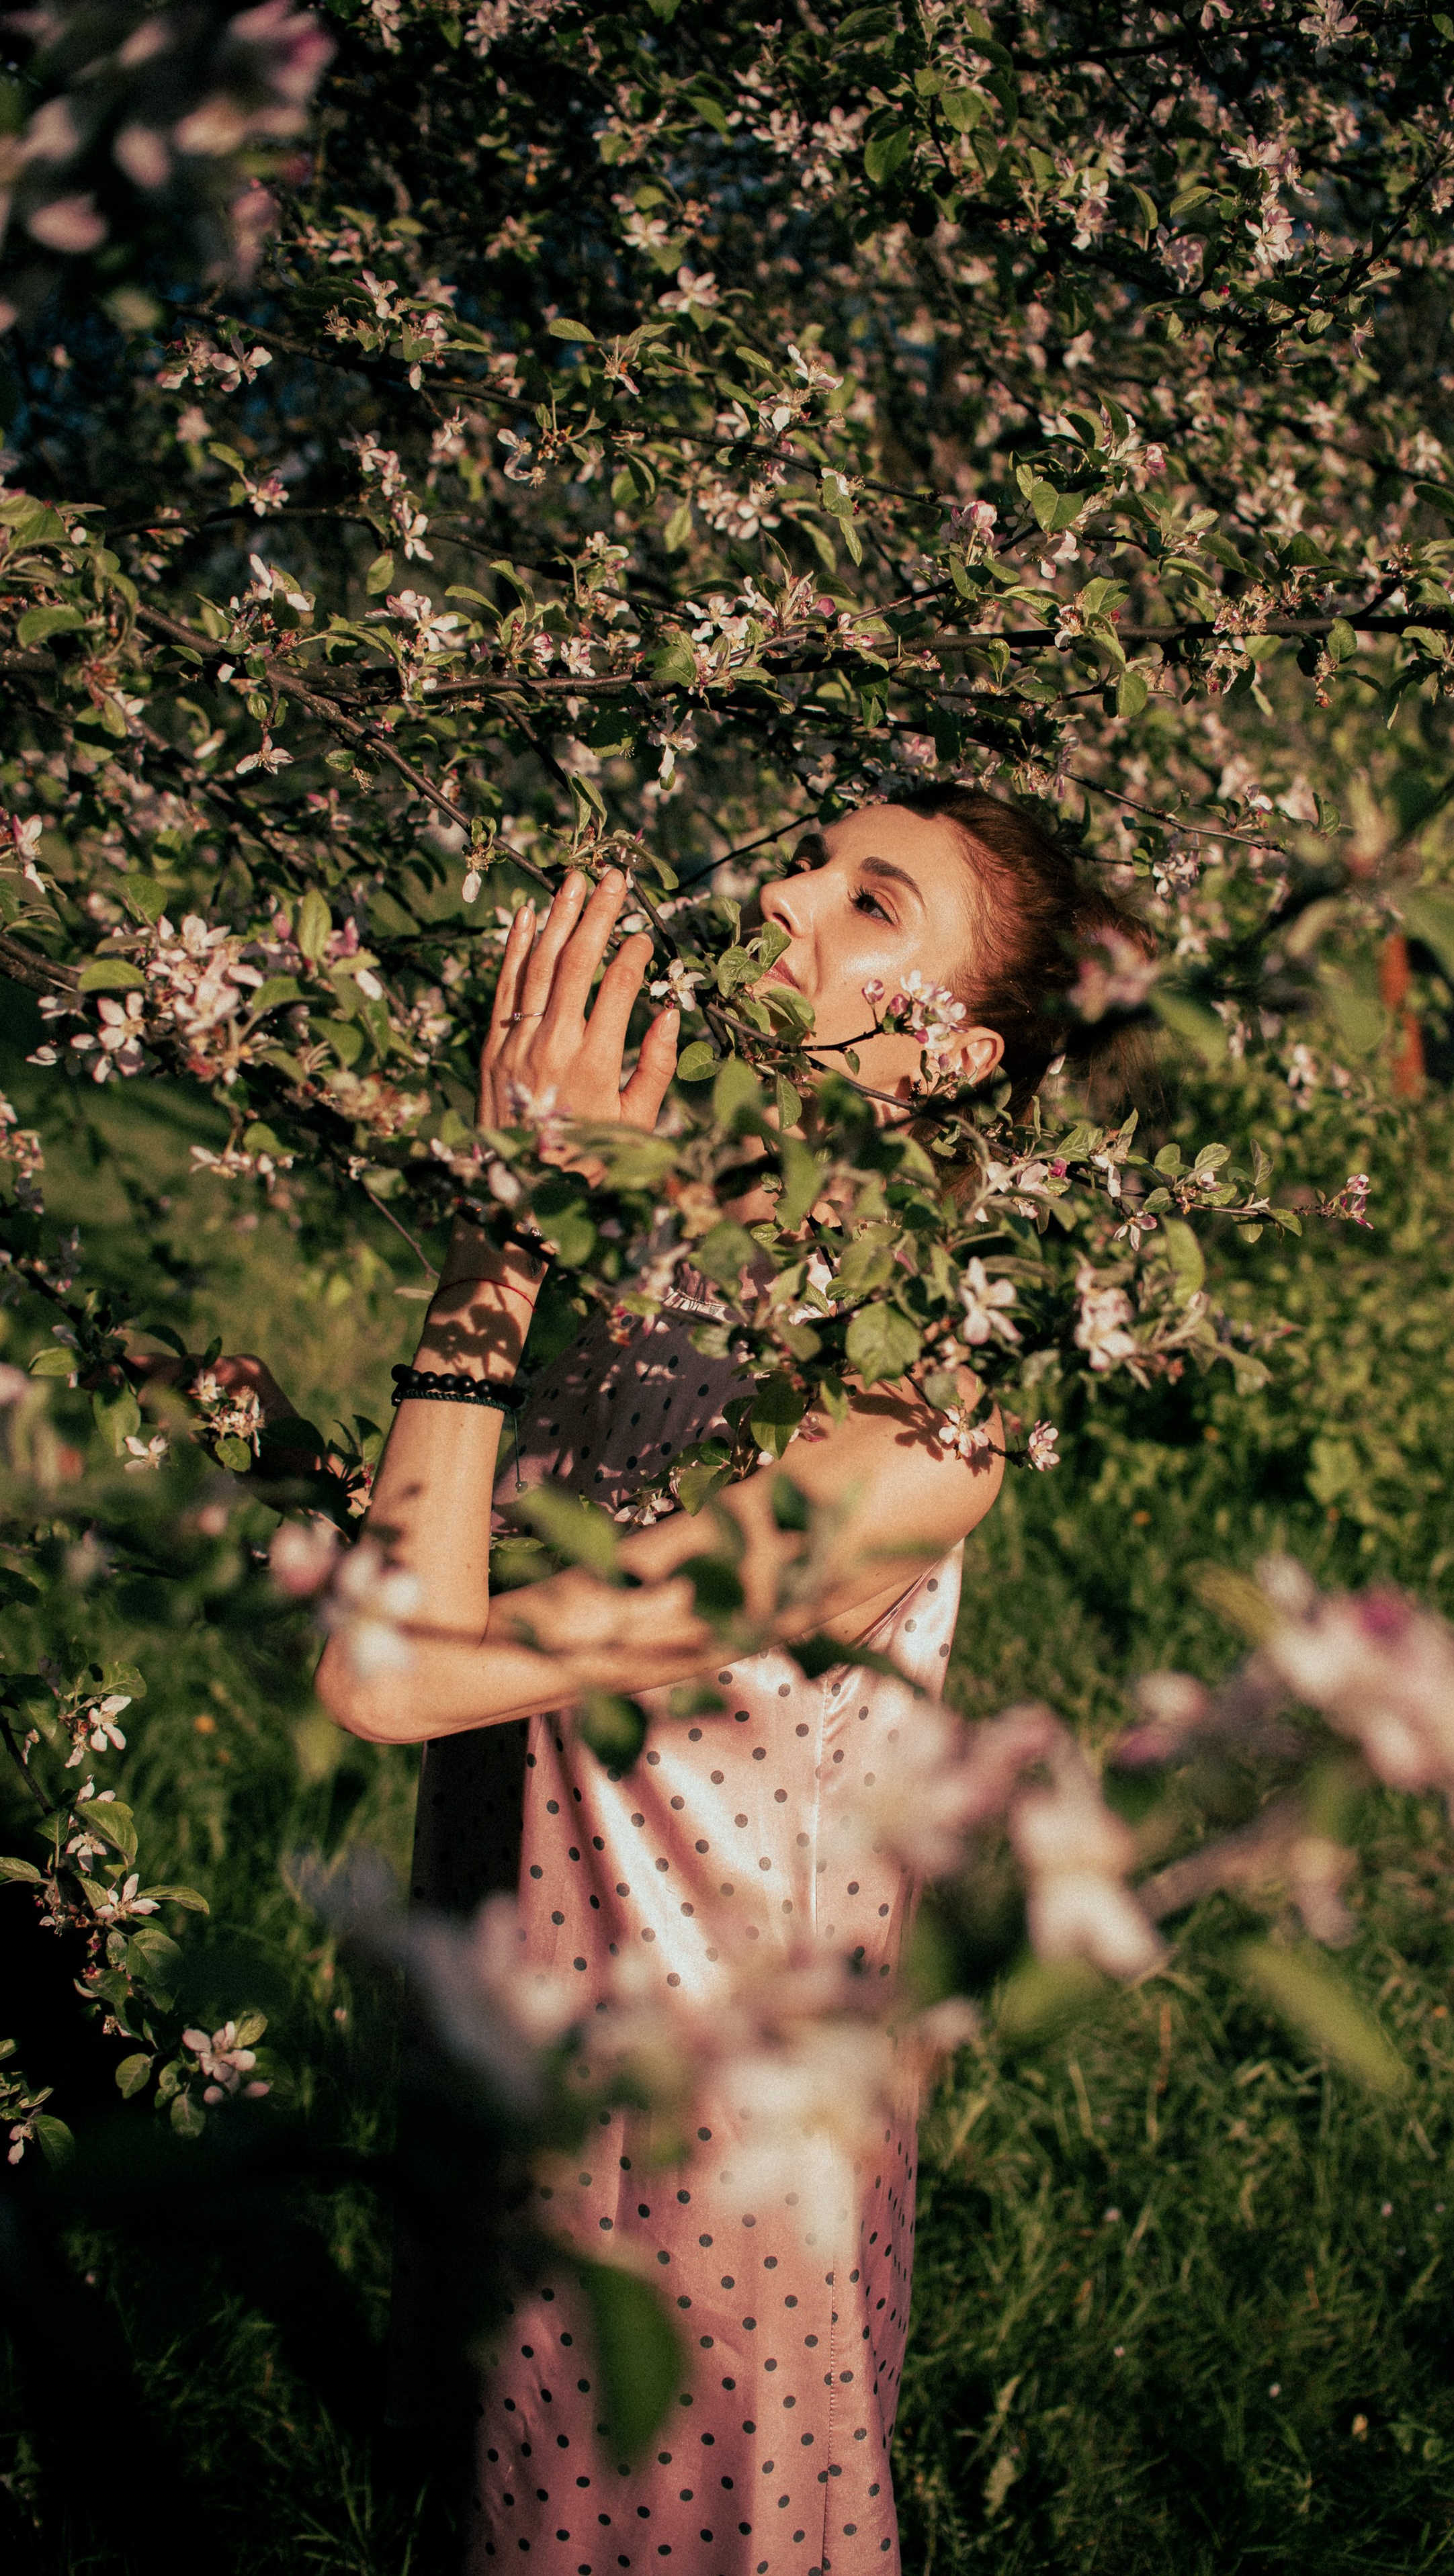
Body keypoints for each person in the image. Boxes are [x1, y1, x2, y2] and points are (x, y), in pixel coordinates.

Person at [316, 788, 1144, 2575]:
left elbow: (389, 1675)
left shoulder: (921, 1423)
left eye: (869, 902)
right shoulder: (676, 1259)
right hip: (513, 2040)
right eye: (804, 858)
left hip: (686, 2159)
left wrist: (502, 1216)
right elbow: (436, 1582)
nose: (777, 897)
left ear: (950, 1055)